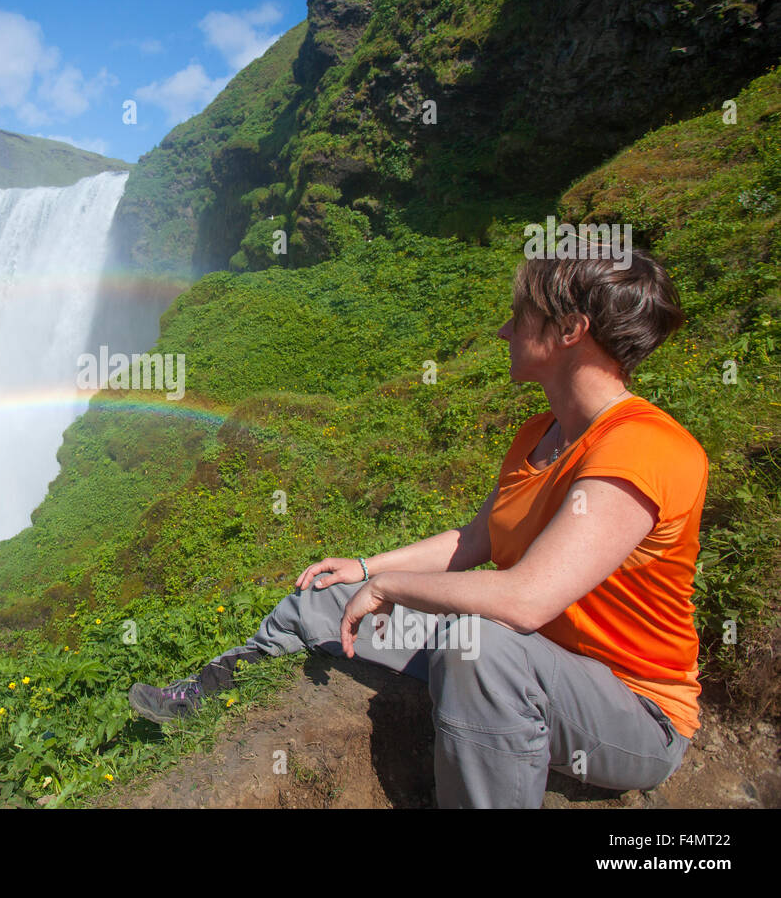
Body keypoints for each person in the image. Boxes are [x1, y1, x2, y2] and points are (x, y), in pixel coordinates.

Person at [128, 237, 709, 808]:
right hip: (527, 654)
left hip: (631, 711)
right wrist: (362, 569)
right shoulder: (540, 434)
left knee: (481, 647)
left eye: (517, 316)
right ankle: (208, 696)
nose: (504, 331)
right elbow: (473, 540)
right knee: (324, 598)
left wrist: (388, 588)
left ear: (569, 330)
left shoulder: (645, 448)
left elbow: (527, 599)